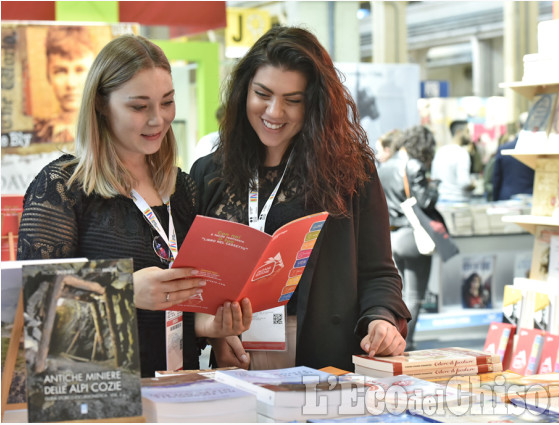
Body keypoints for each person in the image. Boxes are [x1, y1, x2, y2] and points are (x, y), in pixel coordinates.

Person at [17, 34, 252, 377]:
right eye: (139, 107)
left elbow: (175, 304)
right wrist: (121, 289)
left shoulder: (182, 188)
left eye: (167, 102)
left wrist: (207, 327)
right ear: (100, 103)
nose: (158, 119)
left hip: (179, 390)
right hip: (99, 398)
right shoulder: (62, 187)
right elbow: (31, 306)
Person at [190, 26, 410, 371]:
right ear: (243, 91)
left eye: (293, 101)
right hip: (235, 354)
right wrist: (216, 334)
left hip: (322, 355)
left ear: (316, 105)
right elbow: (194, 281)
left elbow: (379, 271)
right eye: (262, 94)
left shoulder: (349, 172)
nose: (275, 112)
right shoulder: (209, 173)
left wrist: (380, 319)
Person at [378, 125, 438, 351]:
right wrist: (434, 188)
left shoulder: (386, 165)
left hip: (393, 236)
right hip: (414, 236)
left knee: (399, 294)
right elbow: (425, 202)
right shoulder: (414, 165)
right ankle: (406, 342)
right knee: (415, 295)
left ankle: (397, 338)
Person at [34, 26, 98, 143]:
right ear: (48, 75)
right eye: (60, 71)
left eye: (80, 70)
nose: (71, 83)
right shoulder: (37, 133)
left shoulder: (109, 130)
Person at [431, 120, 475, 203]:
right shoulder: (462, 153)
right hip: (459, 201)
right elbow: (464, 183)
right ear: (459, 132)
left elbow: (434, 179)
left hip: (441, 200)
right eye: (467, 132)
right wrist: (473, 185)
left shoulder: (440, 151)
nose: (470, 135)